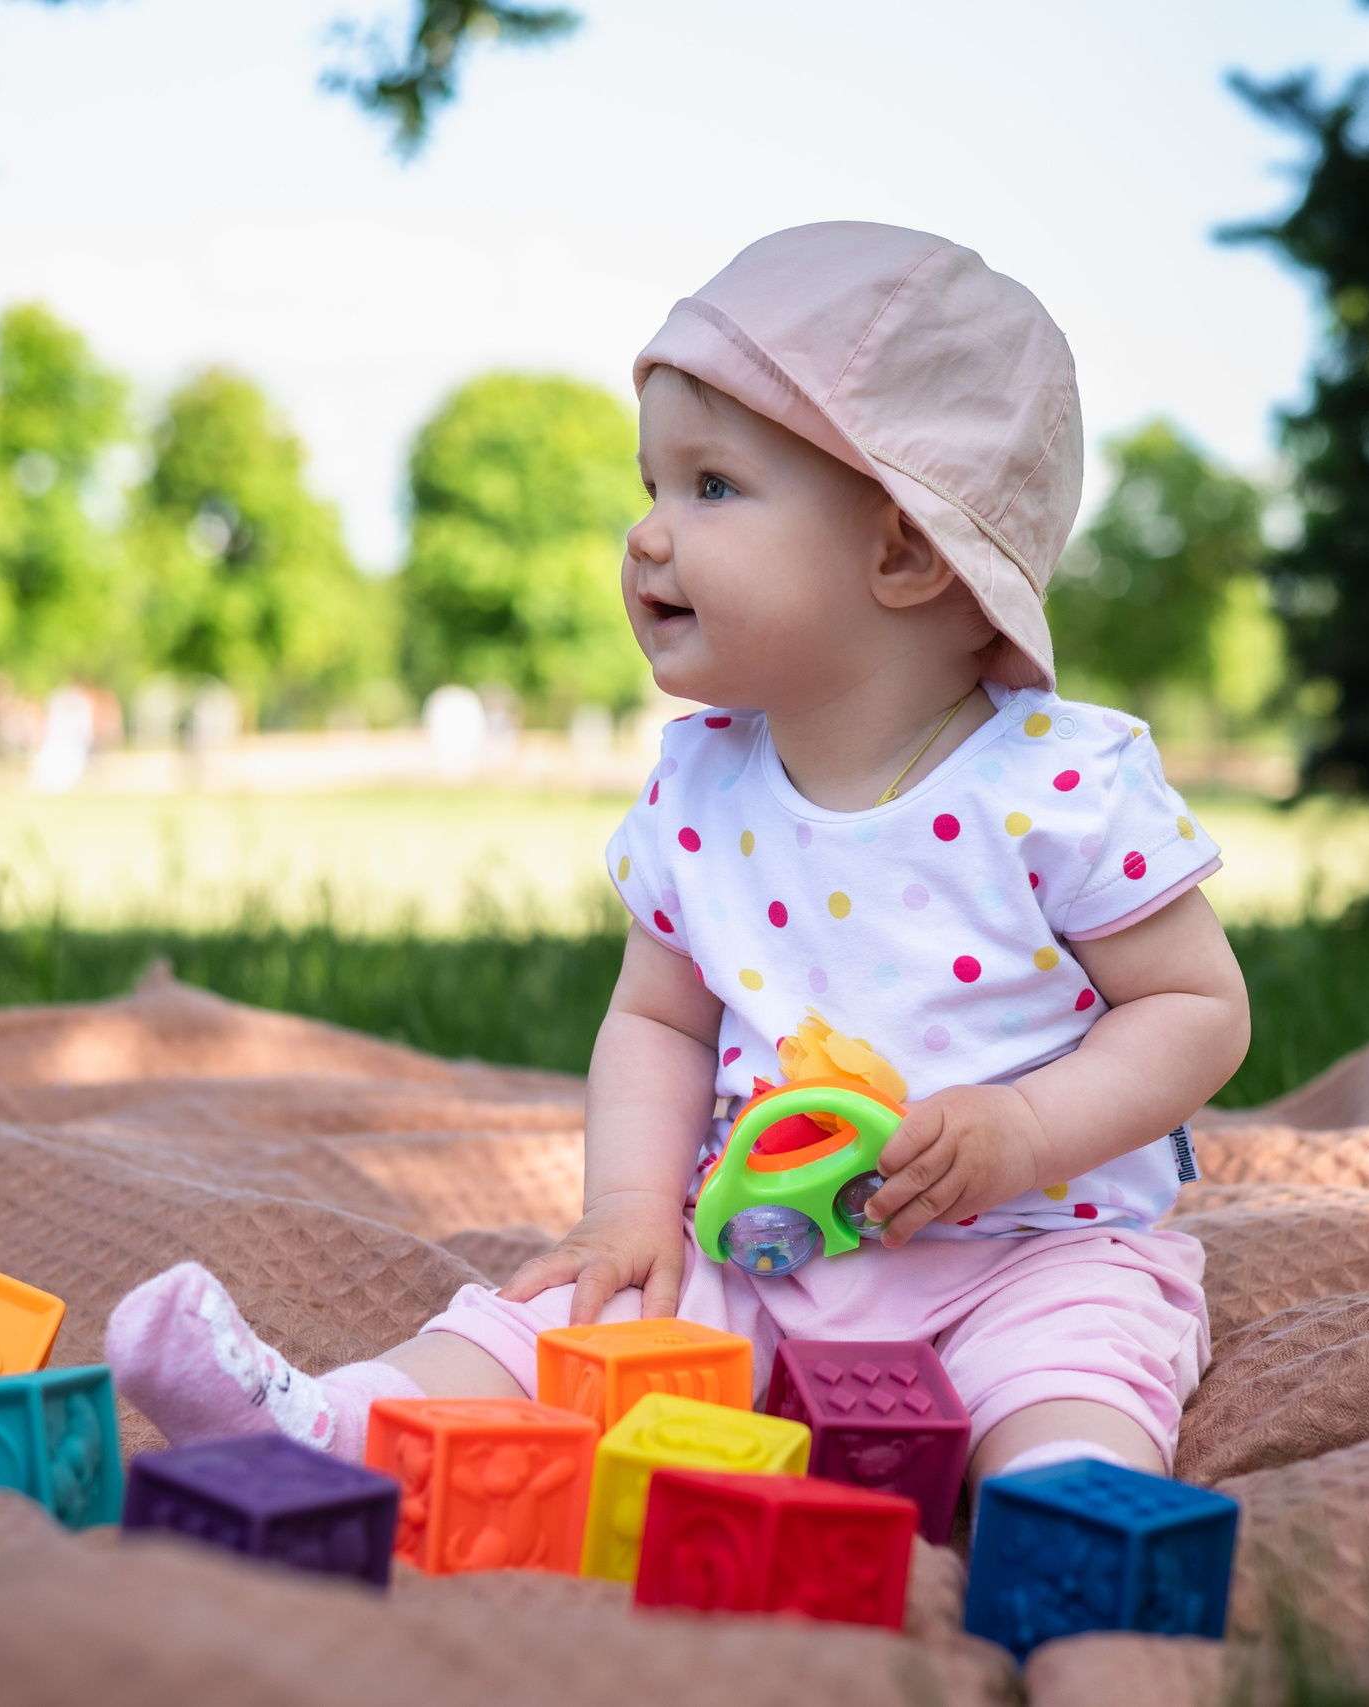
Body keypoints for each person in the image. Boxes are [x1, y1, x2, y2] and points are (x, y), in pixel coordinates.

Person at [106, 222, 1251, 1487]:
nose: (649, 534)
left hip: (1030, 1249)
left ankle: (1069, 1524)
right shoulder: (700, 784)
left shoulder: (1057, 782)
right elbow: (659, 1025)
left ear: (904, 551)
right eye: (650, 487)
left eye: (710, 489)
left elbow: (1194, 1008)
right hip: (758, 1247)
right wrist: (633, 1212)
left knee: (1070, 1378)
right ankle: (335, 1423)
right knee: (573, 1321)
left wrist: (1028, 1130)